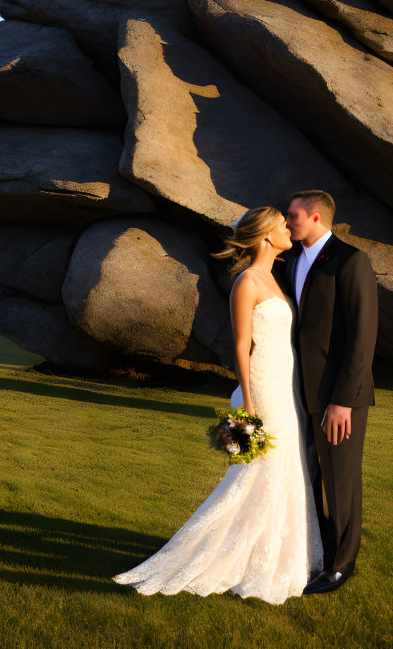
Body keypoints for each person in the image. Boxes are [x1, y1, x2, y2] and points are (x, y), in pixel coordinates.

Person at [112, 206, 323, 604]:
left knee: (284, 469)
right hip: (262, 387)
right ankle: (214, 556)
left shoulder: (274, 277)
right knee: (257, 474)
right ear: (265, 236)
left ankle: (278, 556)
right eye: (281, 226)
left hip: (284, 384)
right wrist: (249, 402)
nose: (288, 230)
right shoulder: (247, 282)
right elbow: (241, 346)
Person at [282, 189, 379, 595]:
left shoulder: (351, 261)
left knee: (341, 481)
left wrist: (342, 400)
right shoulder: (287, 261)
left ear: (317, 217)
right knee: (308, 475)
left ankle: (341, 564)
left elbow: (362, 337)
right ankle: (318, 553)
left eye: (293, 216)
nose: (287, 222)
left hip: (339, 398)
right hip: (297, 393)